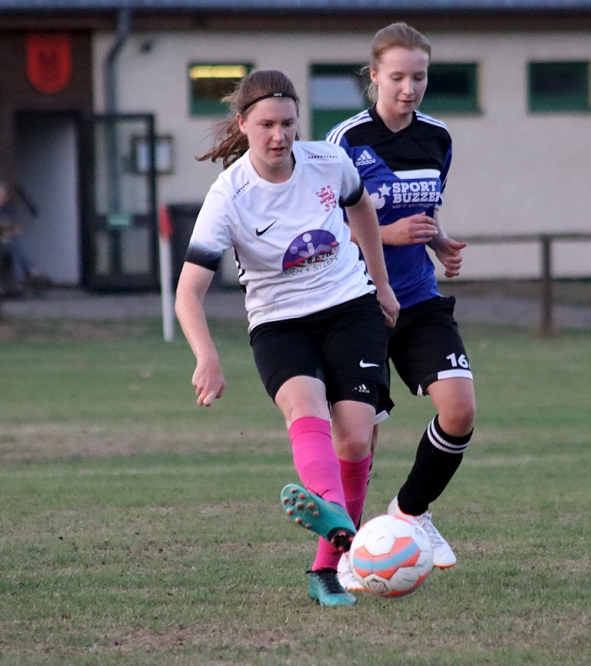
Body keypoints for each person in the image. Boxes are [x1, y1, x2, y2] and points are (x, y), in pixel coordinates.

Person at [174, 69, 400, 607]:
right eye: (267, 125)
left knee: (354, 440)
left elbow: (361, 208)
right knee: (305, 409)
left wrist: (382, 283)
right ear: (243, 124)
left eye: (288, 124)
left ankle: (325, 567)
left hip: (351, 308)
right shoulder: (228, 196)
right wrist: (206, 357)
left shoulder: (328, 160)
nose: (279, 136)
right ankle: (335, 523)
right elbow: (187, 293)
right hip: (279, 323)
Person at [327, 22, 477, 589]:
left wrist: (439, 241)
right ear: (374, 77)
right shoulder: (345, 140)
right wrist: (384, 236)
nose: (409, 88)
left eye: (419, 77)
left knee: (459, 410)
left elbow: (424, 209)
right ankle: (347, 550)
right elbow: (323, 225)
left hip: (418, 300)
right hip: (356, 304)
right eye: (397, 77)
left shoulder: (438, 137)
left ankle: (410, 512)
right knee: (359, 439)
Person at [0, 182, 44, 295]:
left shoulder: (7, 211)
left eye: (4, 196)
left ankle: (20, 282)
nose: (3, 199)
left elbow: (17, 229)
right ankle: (30, 273)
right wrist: (3, 234)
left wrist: (7, 233)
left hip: (8, 242)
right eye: (0, 196)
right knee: (15, 245)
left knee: (16, 243)